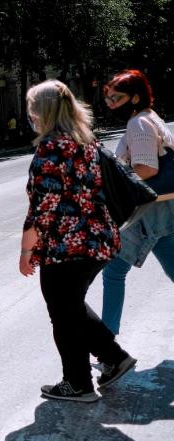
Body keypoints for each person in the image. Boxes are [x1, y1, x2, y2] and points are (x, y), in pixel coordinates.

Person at [20, 80, 136, 403]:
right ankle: (113, 358)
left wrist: (25, 251)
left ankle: (78, 382)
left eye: (32, 110)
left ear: (43, 113)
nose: (30, 115)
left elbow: (42, 210)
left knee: (62, 311)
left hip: (66, 248)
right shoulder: (87, 143)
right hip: (98, 242)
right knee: (70, 306)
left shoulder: (51, 151)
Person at [100, 69, 174, 335]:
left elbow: (147, 169)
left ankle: (108, 344)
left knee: (114, 272)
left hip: (147, 209)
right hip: (161, 207)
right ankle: (108, 343)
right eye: (108, 99)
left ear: (134, 97)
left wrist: (116, 181)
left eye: (116, 98)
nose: (110, 104)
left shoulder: (139, 124)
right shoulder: (149, 118)